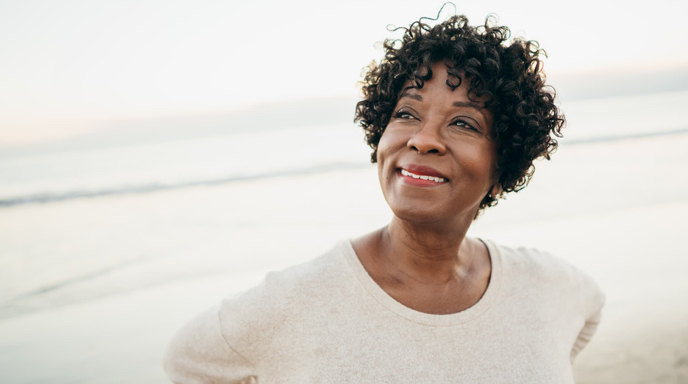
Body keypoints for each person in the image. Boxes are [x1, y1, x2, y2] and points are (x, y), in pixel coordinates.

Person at [163, 12, 605, 384]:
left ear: (501, 172)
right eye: (407, 113)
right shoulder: (296, 301)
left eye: (464, 123)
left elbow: (589, 312)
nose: (424, 139)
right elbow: (186, 361)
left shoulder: (549, 285)